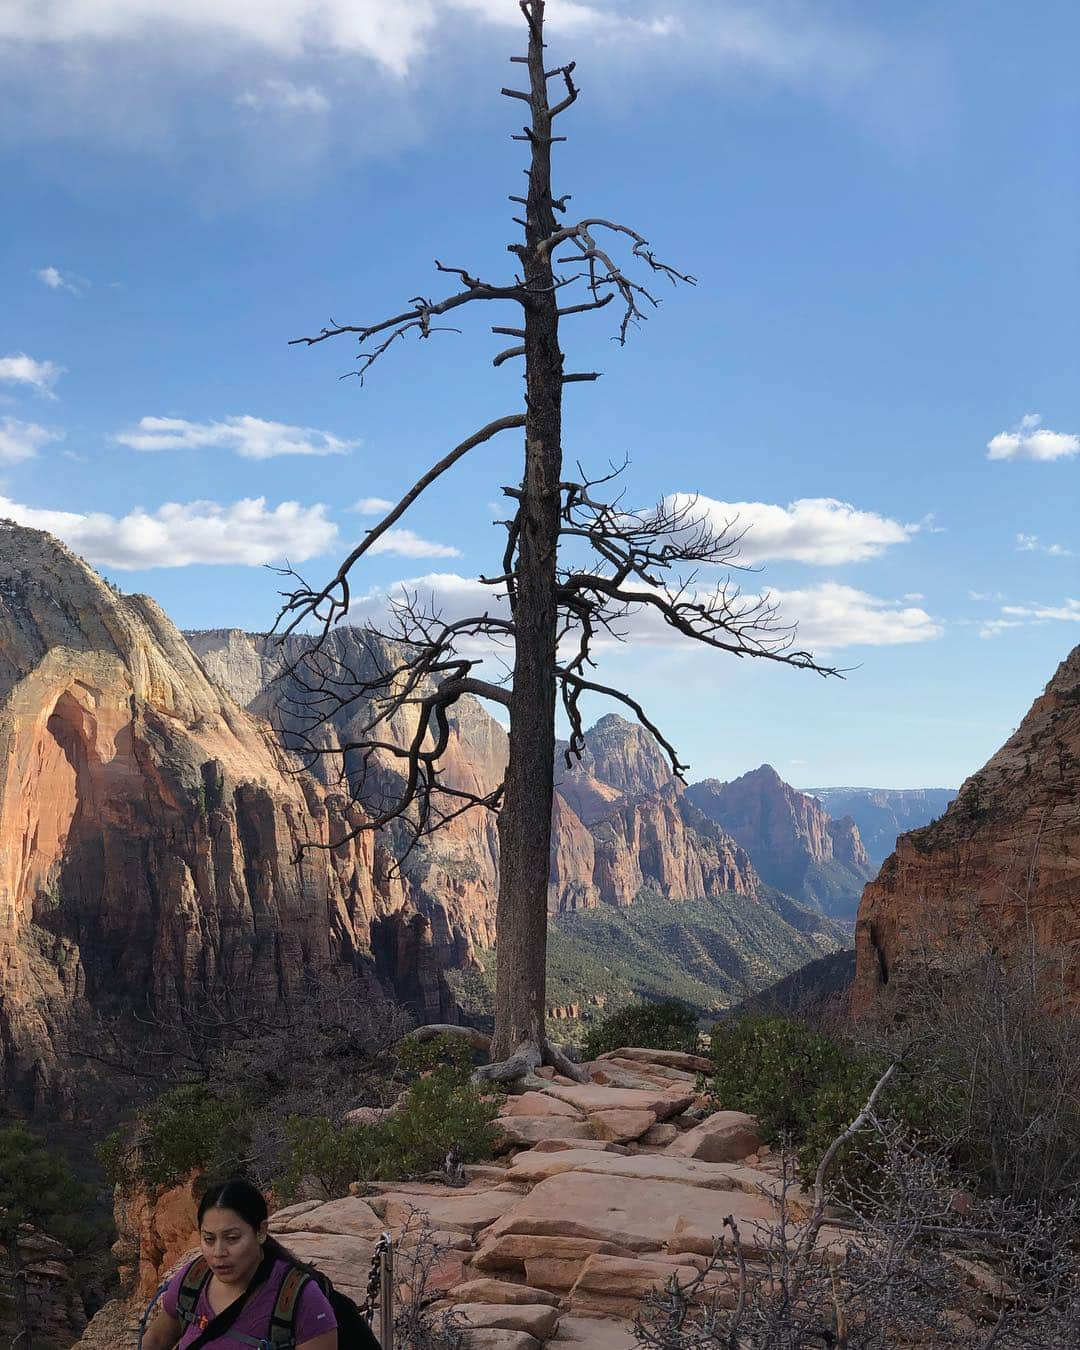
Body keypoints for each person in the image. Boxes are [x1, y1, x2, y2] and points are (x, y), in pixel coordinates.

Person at [140, 1177, 338, 1349]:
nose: (219, 1252)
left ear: (260, 1232)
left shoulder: (299, 1299)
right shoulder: (194, 1279)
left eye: (232, 1238)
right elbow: (157, 1340)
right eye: (209, 1239)